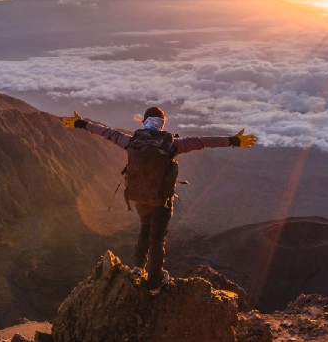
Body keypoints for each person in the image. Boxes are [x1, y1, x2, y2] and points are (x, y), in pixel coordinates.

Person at [64, 107, 256, 295]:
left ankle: (138, 267)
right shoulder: (172, 144)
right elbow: (202, 141)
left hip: (139, 198)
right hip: (161, 202)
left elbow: (106, 132)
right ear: (162, 124)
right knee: (156, 239)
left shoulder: (132, 141)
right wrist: (234, 140)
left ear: (145, 121)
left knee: (144, 229)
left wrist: (81, 123)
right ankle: (154, 283)